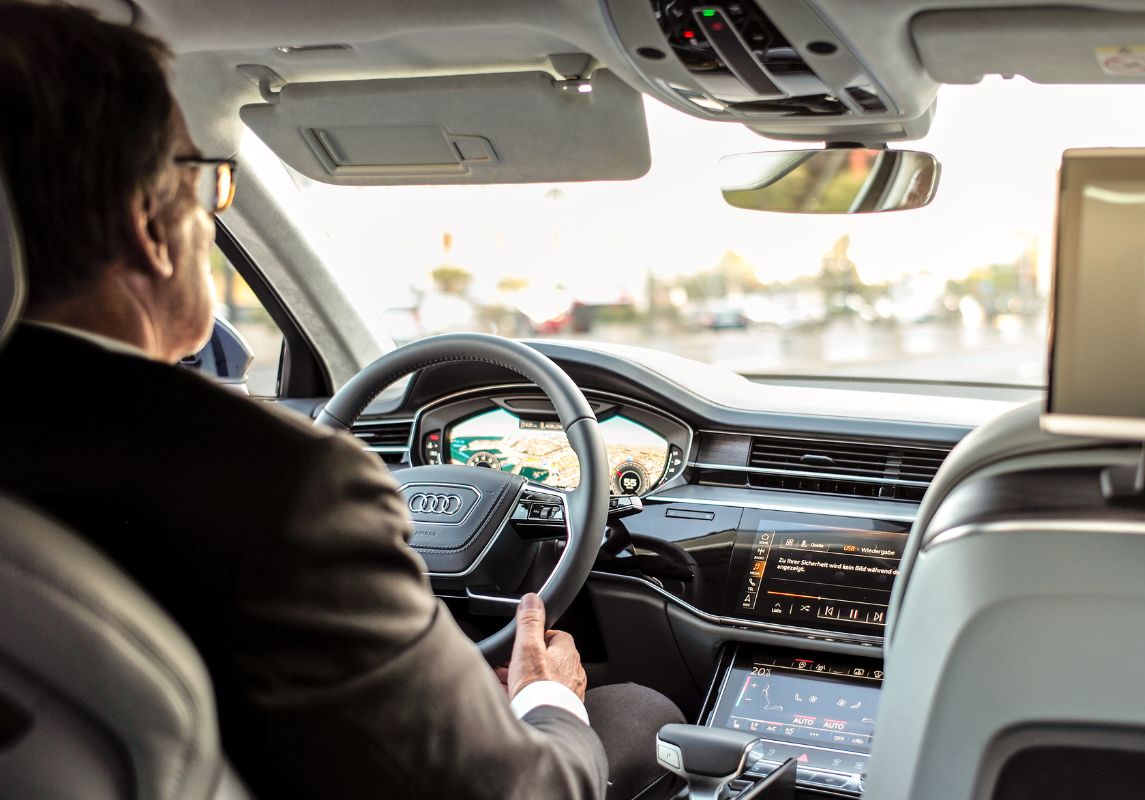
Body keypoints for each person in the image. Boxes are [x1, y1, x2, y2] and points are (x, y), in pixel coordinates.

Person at [0, 4, 682, 798]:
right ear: (151, 224)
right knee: (638, 711)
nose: (209, 213)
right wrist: (545, 698)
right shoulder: (288, 487)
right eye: (210, 182)